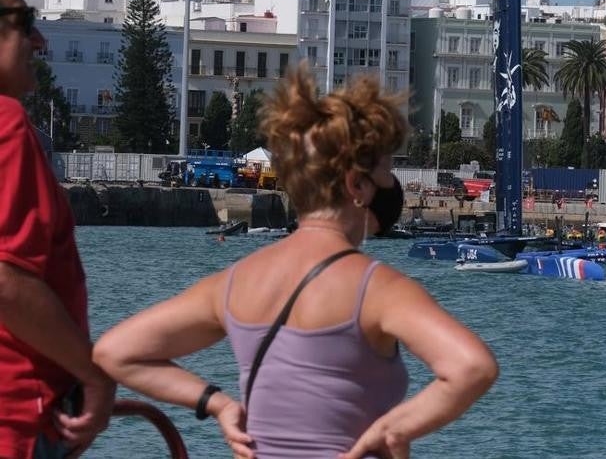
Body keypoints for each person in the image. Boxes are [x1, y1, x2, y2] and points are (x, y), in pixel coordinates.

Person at [94, 65, 498, 458]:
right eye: (388, 171)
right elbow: (472, 367)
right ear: (356, 186)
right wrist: (393, 428)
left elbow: (115, 352)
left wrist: (217, 404)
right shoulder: (378, 289)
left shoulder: (234, 283)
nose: (393, 185)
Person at [0, 0, 116, 459]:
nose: (41, 41)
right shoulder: (6, 124)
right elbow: (6, 281)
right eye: (24, 23)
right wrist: (93, 375)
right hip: (17, 422)